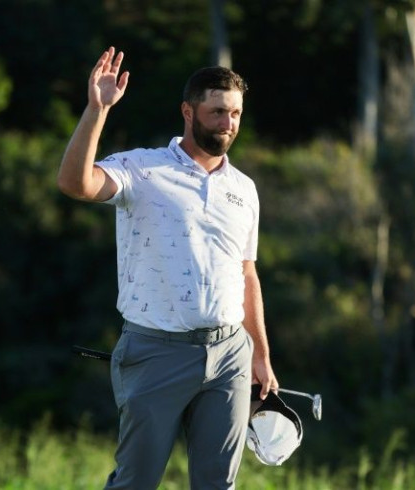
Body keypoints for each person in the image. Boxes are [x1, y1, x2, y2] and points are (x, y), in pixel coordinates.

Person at [58, 46, 278, 490]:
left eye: (234, 113)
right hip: (156, 352)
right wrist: (96, 110)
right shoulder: (143, 169)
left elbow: (246, 273)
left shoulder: (244, 189)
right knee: (136, 482)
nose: (227, 123)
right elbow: (74, 183)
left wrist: (261, 353)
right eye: (217, 112)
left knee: (218, 484)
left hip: (230, 355)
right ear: (188, 110)